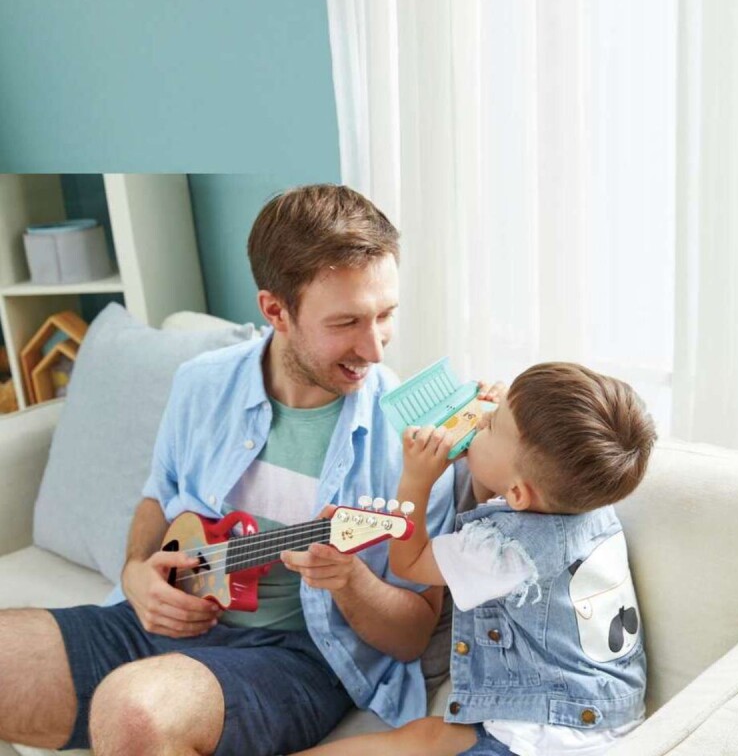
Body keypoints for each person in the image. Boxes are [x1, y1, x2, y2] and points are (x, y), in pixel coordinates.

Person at [0, 185, 455, 756]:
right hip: (166, 618)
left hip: (296, 655)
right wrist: (138, 572)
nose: (375, 347)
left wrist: (351, 580)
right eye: (346, 322)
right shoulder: (202, 383)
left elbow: (414, 636)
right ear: (275, 310)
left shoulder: (412, 442)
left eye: (385, 314)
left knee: (137, 712)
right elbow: (158, 497)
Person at [296, 362, 657, 756]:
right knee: (423, 737)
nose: (479, 417)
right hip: (605, 712)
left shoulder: (502, 551)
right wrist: (497, 433)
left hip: (541, 740)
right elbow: (501, 503)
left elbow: (409, 562)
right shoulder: (590, 506)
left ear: (519, 492)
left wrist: (416, 479)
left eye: (490, 424)